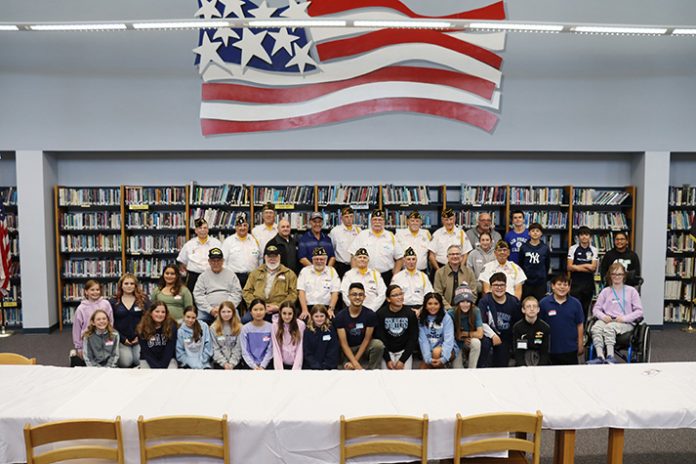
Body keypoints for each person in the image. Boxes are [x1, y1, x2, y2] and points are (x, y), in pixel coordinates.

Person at [588, 263, 644, 364]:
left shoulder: (632, 291)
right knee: (596, 328)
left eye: (619, 274)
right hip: (607, 320)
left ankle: (610, 357)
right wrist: (603, 316)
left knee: (609, 328)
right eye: (614, 274)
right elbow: (596, 309)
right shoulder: (605, 291)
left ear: (624, 275)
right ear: (610, 276)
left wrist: (624, 318)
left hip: (624, 323)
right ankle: (600, 357)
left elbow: (639, 312)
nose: (616, 277)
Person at [334, 283, 385, 370]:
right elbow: (344, 343)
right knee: (348, 370)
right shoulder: (340, 316)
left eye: (360, 295)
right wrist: (354, 363)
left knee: (378, 345)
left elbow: (367, 339)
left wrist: (355, 361)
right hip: (348, 348)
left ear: (364, 297)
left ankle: (372, 370)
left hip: (363, 346)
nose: (357, 297)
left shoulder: (370, 315)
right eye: (354, 294)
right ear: (348, 296)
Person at [242, 245, 298, 322]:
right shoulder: (255, 273)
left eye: (275, 256)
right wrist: (258, 306)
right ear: (265, 258)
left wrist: (279, 306)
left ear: (279, 257)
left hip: (280, 309)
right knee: (245, 319)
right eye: (269, 257)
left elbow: (293, 294)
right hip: (258, 307)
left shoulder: (289, 274)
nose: (272, 259)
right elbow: (246, 291)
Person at [478, 273, 521, 368]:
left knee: (502, 365)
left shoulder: (513, 301)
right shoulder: (485, 301)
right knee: (485, 344)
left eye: (502, 285)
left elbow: (518, 323)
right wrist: (493, 335)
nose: (499, 288)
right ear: (490, 287)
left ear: (506, 286)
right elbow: (481, 322)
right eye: (496, 285)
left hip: (506, 338)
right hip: (489, 337)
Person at [349, 208, 404, 284]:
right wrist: (354, 275)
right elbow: (353, 256)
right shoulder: (362, 235)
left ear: (384, 222)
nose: (377, 222)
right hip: (365, 275)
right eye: (375, 220)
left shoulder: (391, 236)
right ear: (371, 221)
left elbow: (400, 258)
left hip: (386, 276)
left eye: (380, 220)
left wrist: (395, 276)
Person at [539, 274, 585, 365]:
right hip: (550, 349)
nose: (562, 287)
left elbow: (580, 324)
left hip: (570, 349)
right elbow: (539, 325)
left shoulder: (576, 303)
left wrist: (580, 344)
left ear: (569, 287)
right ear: (552, 286)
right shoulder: (544, 303)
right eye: (559, 284)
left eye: (565, 285)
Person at [193, 247, 242, 324]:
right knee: (199, 323)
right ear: (209, 261)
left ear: (223, 261)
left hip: (228, 308)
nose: (216, 263)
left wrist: (226, 309)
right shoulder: (203, 276)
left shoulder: (231, 275)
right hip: (208, 310)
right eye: (213, 261)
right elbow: (198, 295)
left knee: (237, 322)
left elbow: (237, 294)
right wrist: (210, 309)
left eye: (218, 261)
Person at [111, 273, 149, 368]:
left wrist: (139, 337)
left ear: (136, 286)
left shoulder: (143, 300)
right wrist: (123, 339)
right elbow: (110, 323)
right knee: (126, 362)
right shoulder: (113, 301)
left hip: (139, 338)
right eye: (126, 283)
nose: (129, 286)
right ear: (121, 285)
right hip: (121, 339)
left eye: (132, 284)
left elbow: (148, 320)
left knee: (138, 360)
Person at [376, 285, 419, 370]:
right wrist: (388, 359)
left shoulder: (410, 313)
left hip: (404, 351)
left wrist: (402, 360)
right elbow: (380, 337)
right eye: (395, 295)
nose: (399, 297)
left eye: (401, 294)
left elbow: (413, 338)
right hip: (387, 352)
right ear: (388, 299)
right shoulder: (381, 314)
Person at [71, 280, 113, 363]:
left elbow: (110, 321)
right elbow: (77, 329)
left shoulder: (106, 304)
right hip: (88, 341)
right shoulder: (81, 308)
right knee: (87, 365)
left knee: (105, 362)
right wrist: (79, 347)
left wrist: (110, 336)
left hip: (103, 338)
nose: (95, 292)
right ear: (86, 292)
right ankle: (73, 357)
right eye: (92, 290)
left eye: (97, 290)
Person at [177, 218, 222, 292]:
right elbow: (182, 262)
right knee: (192, 300)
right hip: (194, 277)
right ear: (196, 230)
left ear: (208, 230)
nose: (202, 230)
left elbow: (222, 261)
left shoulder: (216, 243)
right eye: (200, 228)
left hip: (212, 276)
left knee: (211, 298)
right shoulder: (189, 245)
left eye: (205, 228)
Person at [297, 246, 341, 320]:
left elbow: (335, 293)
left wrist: (331, 309)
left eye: (322, 259)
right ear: (312, 260)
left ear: (326, 260)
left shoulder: (332, 271)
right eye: (316, 259)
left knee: (334, 320)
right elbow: (301, 292)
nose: (319, 261)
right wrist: (304, 310)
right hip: (309, 307)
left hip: (326, 307)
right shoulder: (305, 271)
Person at [390, 247, 433, 316]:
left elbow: (429, 295)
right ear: (404, 261)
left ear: (416, 261)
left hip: (421, 308)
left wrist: (421, 310)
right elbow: (393, 296)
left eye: (413, 259)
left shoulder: (423, 276)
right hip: (403, 308)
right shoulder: (397, 277)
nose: (411, 262)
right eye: (408, 259)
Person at [418, 292, 457, 369]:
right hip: (429, 351)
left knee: (436, 352)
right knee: (421, 371)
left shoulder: (446, 318)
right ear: (425, 306)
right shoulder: (421, 319)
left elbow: (448, 340)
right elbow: (423, 341)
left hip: (448, 351)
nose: (433, 306)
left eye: (436, 304)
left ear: (440, 305)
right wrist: (428, 359)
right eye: (430, 304)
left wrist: (444, 359)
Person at [339, 248, 386, 312]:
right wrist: (355, 308)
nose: (362, 259)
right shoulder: (349, 275)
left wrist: (371, 309)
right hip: (353, 311)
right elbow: (344, 294)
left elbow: (382, 293)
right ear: (355, 260)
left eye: (364, 258)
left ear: (368, 260)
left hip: (373, 310)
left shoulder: (376, 274)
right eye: (360, 257)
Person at [433, 244, 478, 311]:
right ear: (447, 257)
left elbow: (473, 293)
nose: (455, 256)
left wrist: (466, 307)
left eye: (457, 254)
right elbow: (438, 294)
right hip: (446, 309)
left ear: (461, 257)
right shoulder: (439, 273)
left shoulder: (469, 272)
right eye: (452, 254)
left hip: (466, 309)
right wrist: (449, 308)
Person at [447, 284, 482, 369]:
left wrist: (465, 334)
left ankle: (472, 369)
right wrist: (459, 337)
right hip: (455, 343)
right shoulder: (451, 313)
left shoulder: (475, 311)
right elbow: (448, 334)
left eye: (468, 301)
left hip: (468, 340)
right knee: (458, 369)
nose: (465, 304)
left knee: (476, 343)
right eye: (462, 302)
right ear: (457, 303)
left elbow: (480, 334)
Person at [429, 208, 473, 275]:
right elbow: (431, 256)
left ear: (454, 219)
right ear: (442, 220)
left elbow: (465, 254)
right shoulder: (437, 234)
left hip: (457, 268)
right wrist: (439, 271)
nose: (449, 222)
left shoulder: (461, 233)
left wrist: (460, 268)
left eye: (451, 219)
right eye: (446, 220)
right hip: (439, 267)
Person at [221, 213, 260, 288]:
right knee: (235, 299)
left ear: (248, 227)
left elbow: (259, 258)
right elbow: (223, 261)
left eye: (244, 225)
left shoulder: (254, 240)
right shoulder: (228, 241)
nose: (242, 228)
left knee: (250, 299)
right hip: (234, 278)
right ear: (235, 227)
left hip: (252, 278)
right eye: (239, 225)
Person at [567, 226, 599, 317]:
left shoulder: (594, 249)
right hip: (575, 284)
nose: (584, 237)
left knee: (585, 309)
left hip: (588, 284)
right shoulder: (573, 248)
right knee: (574, 308)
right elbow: (569, 267)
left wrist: (577, 266)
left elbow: (593, 268)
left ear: (590, 237)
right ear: (578, 237)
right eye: (581, 235)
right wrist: (586, 265)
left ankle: (583, 330)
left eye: (586, 235)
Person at [137, 301, 178, 369]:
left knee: (171, 374)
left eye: (163, 312)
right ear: (150, 313)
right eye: (157, 311)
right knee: (147, 376)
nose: (160, 314)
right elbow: (146, 352)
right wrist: (156, 367)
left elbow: (169, 350)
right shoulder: (142, 328)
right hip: (148, 359)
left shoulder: (172, 327)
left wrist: (162, 367)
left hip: (168, 359)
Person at [512, 296, 551, 367]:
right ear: (523, 310)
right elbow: (518, 351)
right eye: (528, 306)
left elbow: (544, 352)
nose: (532, 309)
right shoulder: (517, 327)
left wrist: (540, 367)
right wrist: (522, 366)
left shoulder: (545, 327)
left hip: (539, 359)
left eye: (534, 306)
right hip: (523, 358)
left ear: (538, 309)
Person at [519, 223, 551, 301]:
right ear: (529, 233)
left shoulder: (545, 248)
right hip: (527, 282)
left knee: (540, 303)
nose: (535, 233)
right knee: (526, 302)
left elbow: (547, 264)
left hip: (540, 282)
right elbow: (521, 263)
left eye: (537, 231)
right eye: (533, 231)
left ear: (541, 233)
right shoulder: (524, 247)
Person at [302, 304, 339, 370]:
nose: (319, 319)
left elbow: (333, 350)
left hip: (328, 367)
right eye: (316, 316)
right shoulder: (307, 331)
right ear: (312, 317)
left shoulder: (331, 329)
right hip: (311, 367)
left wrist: (325, 366)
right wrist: (316, 366)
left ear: (326, 316)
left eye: (322, 316)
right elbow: (307, 352)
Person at [240, 298, 274, 370]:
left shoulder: (271, 327)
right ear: (251, 312)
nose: (258, 312)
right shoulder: (245, 329)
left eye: (261, 309)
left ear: (265, 311)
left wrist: (262, 366)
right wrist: (254, 366)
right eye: (255, 310)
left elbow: (270, 349)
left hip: (266, 365)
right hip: (250, 365)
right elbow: (245, 350)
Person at [329, 206, 361, 278]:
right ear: (341, 218)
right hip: (341, 266)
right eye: (346, 217)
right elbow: (332, 249)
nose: (349, 219)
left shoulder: (358, 230)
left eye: (351, 216)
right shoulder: (335, 231)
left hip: (356, 265)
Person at [272, 301, 306, 370]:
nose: (287, 317)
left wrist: (295, 370)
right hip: (282, 365)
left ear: (294, 314)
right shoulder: (275, 326)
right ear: (280, 313)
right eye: (284, 313)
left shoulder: (301, 325)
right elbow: (276, 349)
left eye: (290, 314)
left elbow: (300, 348)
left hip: (296, 365)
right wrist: (279, 370)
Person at [209, 301, 243, 370]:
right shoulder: (213, 327)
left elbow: (238, 348)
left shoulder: (240, 327)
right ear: (219, 313)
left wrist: (232, 363)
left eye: (229, 311)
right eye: (223, 312)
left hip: (235, 363)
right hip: (219, 363)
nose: (226, 314)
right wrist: (224, 363)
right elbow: (215, 348)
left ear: (233, 312)